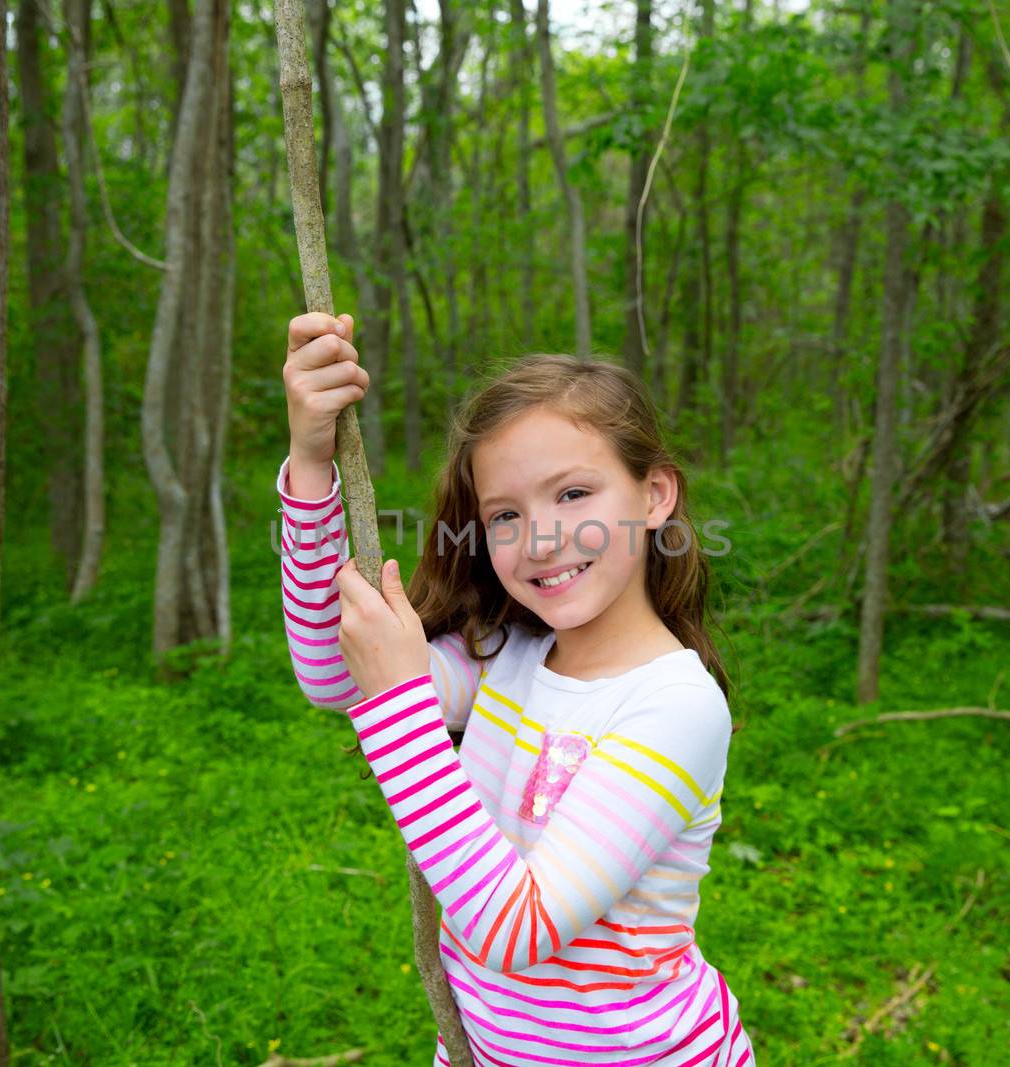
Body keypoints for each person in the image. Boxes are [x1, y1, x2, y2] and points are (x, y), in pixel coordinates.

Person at [277, 311, 753, 1066]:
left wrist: (401, 707)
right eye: (505, 514)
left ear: (655, 493)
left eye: (572, 495)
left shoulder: (675, 705)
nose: (539, 538)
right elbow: (336, 675)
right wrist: (310, 463)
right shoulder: (510, 657)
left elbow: (516, 929)